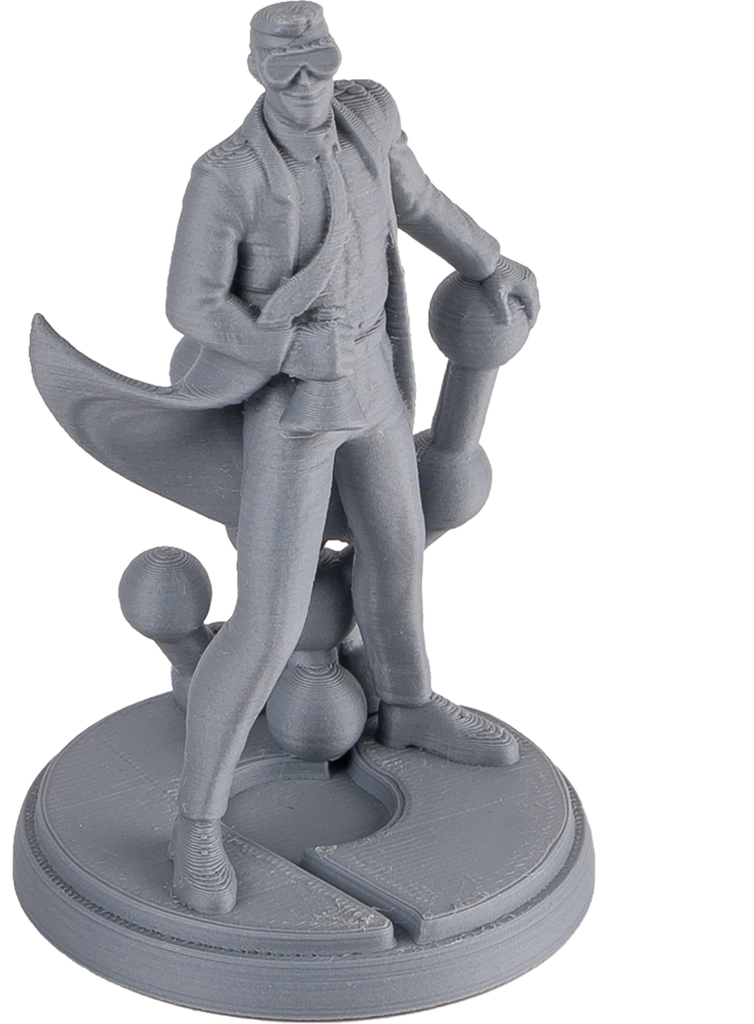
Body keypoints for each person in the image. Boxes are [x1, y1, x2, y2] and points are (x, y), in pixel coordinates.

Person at [164, 0, 542, 915]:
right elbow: (190, 304)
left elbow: (418, 199)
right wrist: (286, 349)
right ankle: (197, 824)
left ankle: (408, 706)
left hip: (372, 380)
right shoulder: (228, 175)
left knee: (399, 556)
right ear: (255, 72)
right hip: (291, 408)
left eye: (317, 63)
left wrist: (489, 261)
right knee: (268, 619)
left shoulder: (367, 116)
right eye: (285, 69)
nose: (306, 86)